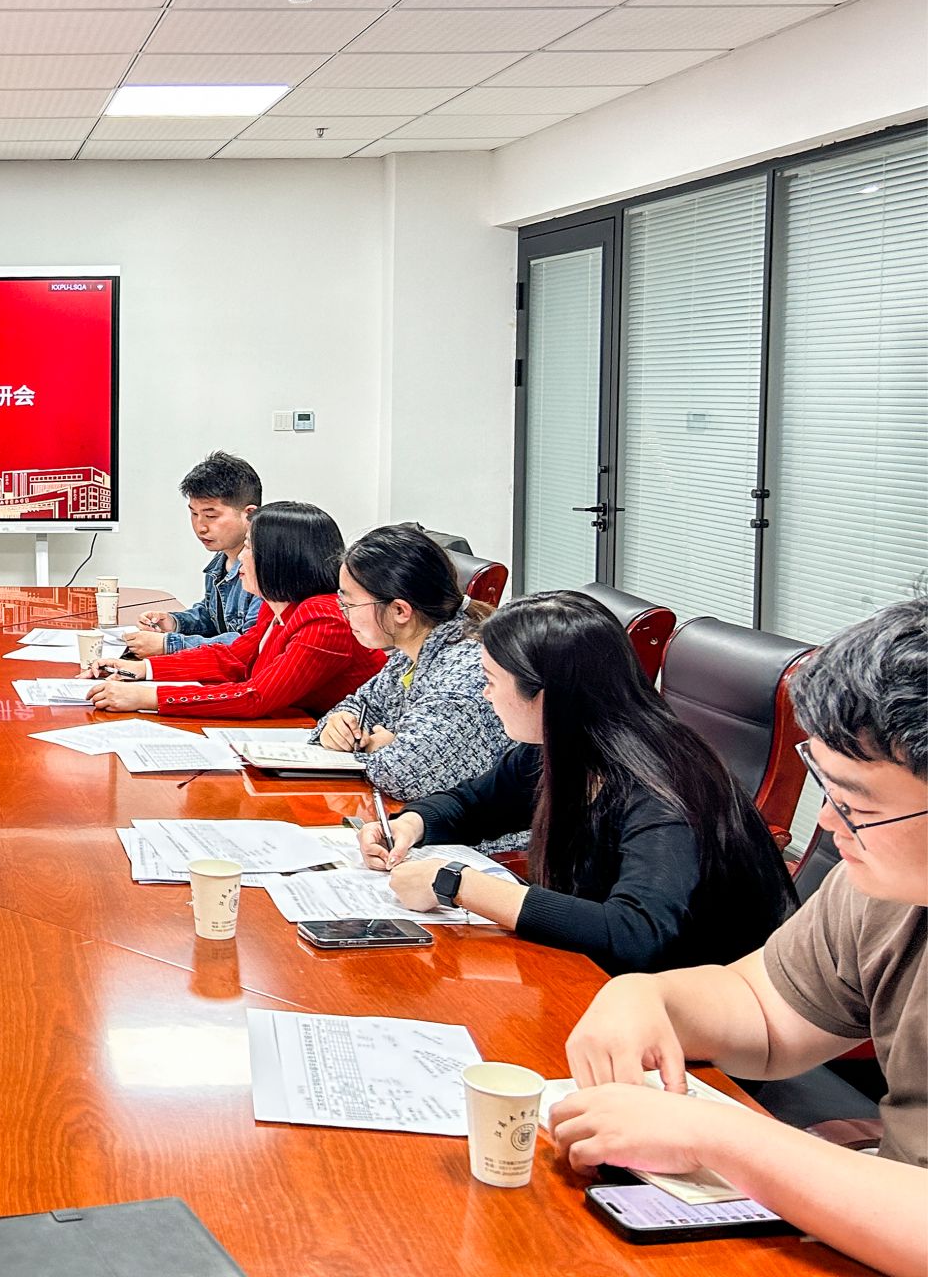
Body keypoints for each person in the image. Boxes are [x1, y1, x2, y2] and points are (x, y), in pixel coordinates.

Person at [548, 599, 927, 1277]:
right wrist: (647, 998)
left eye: (856, 804)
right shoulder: (881, 890)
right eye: (827, 790)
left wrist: (721, 1139)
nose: (828, 825)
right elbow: (763, 1008)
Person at [360, 591, 797, 974]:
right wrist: (409, 825)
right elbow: (473, 805)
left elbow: (634, 934)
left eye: (491, 681)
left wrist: (457, 884)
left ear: (545, 696)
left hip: (692, 1004)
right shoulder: (565, 744)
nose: (485, 694)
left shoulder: (663, 788)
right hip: (599, 979)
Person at [84, 501, 381, 719]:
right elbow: (235, 659)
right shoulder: (278, 606)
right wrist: (143, 669)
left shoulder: (325, 618)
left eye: (249, 548)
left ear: (280, 559)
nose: (241, 557)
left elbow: (256, 696)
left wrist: (146, 697)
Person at [313, 523, 509, 800]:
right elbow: (361, 705)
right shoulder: (412, 652)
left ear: (399, 610)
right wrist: (338, 725)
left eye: (350, 605)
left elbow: (401, 775)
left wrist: (374, 746)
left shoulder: (467, 672)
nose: (345, 613)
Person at [119, 452, 264, 660]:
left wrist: (170, 644)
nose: (200, 526)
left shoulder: (264, 569)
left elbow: (250, 644)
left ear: (249, 514)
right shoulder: (221, 560)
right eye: (194, 514)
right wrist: (174, 622)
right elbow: (212, 616)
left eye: (211, 515)